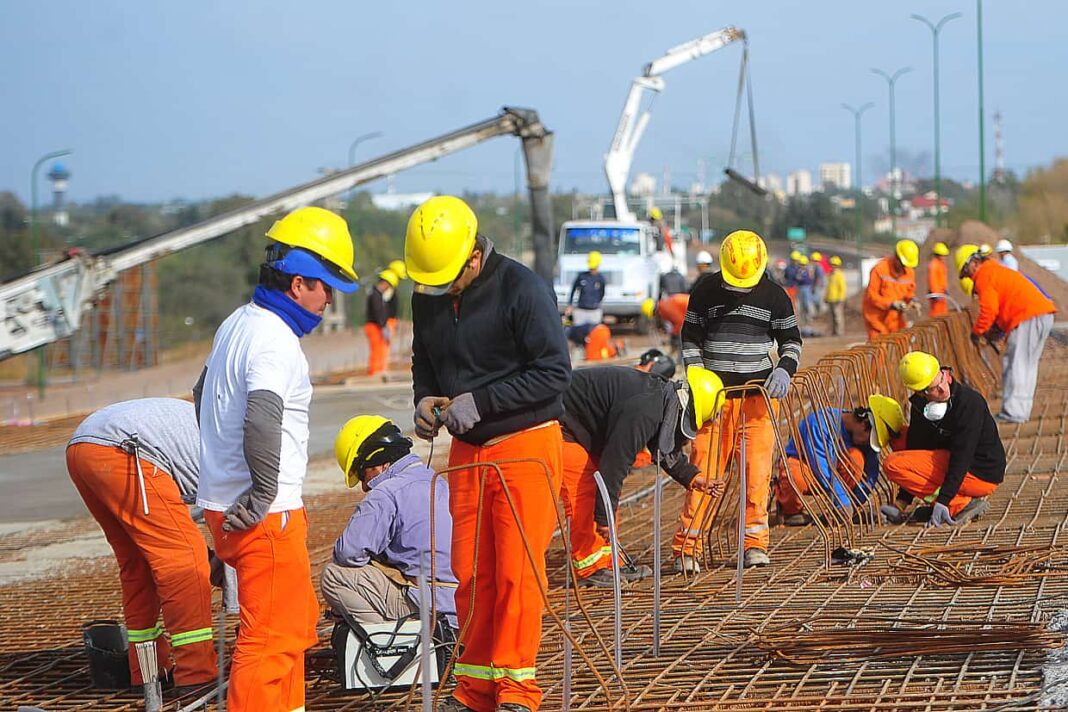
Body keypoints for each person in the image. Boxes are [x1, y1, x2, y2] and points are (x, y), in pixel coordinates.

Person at [406, 195, 571, 712]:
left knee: (517, 573)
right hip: (468, 453)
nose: (441, 288)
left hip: (525, 446)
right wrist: (425, 399)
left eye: (450, 277)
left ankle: (517, 690)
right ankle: (475, 688)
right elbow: (424, 359)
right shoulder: (429, 294)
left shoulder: (522, 289)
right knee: (470, 572)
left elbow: (553, 373)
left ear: (475, 255)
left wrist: (484, 401)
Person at [195, 205, 359, 711]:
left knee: (288, 632)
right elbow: (263, 418)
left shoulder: (237, 324)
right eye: (325, 286)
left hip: (231, 506)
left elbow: (202, 394)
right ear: (298, 285)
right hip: (266, 513)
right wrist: (263, 491)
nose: (327, 299)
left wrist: (222, 475)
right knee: (268, 643)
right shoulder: (275, 340)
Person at [672, 229, 802, 571]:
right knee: (703, 473)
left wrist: (785, 370)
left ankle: (754, 545)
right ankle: (688, 549)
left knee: (756, 475)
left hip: (758, 400)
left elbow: (790, 341)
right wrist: (699, 377)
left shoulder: (774, 295)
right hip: (714, 401)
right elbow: (690, 339)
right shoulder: (705, 290)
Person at [66, 398, 216, 691]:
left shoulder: (229, 437)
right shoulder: (249, 474)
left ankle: (147, 672)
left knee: (140, 563)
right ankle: (196, 674)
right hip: (125, 449)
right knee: (185, 558)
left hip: (83, 448)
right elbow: (237, 547)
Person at [559, 366, 724, 587]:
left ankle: (607, 563)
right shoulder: (644, 409)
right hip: (563, 423)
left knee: (606, 500)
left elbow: (664, 448)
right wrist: (603, 518)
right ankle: (589, 569)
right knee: (586, 492)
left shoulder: (662, 398)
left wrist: (693, 478)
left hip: (586, 428)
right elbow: (615, 464)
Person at [320, 416, 457, 627]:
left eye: (362, 475)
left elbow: (347, 553)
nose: (364, 487)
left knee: (334, 576)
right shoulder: (435, 480)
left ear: (378, 463)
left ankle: (387, 643)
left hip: (429, 603)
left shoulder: (386, 493)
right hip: (461, 602)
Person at [881, 351, 1005, 527]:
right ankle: (952, 501)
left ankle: (961, 505)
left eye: (942, 379)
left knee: (892, 464)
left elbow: (962, 456)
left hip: (981, 474)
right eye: (933, 389)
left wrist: (945, 500)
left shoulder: (969, 404)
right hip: (955, 465)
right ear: (920, 393)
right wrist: (901, 502)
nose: (942, 389)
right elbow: (917, 448)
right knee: (901, 441)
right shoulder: (920, 406)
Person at [956, 244, 1056, 423]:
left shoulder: (984, 276)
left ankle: (1014, 412)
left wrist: (977, 332)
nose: (969, 277)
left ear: (973, 263)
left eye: (966, 272)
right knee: (1025, 365)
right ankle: (1020, 410)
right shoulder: (995, 270)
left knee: (1016, 364)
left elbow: (989, 310)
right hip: (1040, 314)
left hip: (1027, 316)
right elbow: (1000, 306)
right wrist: (997, 330)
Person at [774, 405, 879, 526]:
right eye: (868, 440)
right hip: (807, 467)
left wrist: (855, 503)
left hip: (833, 475)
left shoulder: (861, 435)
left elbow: (872, 470)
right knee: (793, 474)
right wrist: (842, 501)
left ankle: (839, 510)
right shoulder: (821, 422)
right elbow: (820, 465)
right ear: (864, 424)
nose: (867, 444)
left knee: (856, 459)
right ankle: (791, 512)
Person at [862, 239, 918, 340]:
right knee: (880, 351)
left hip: (895, 319)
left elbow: (909, 292)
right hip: (877, 319)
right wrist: (891, 304)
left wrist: (913, 300)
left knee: (902, 346)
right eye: (902, 264)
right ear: (896, 257)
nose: (904, 268)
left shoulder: (909, 272)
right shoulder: (880, 269)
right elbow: (872, 296)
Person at [365, 269, 398, 376]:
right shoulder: (376, 295)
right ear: (385, 283)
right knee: (377, 351)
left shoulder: (377, 294)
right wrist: (383, 325)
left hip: (377, 326)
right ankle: (375, 372)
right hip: (374, 326)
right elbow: (378, 311)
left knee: (380, 350)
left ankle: (377, 371)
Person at [566, 251, 607, 327]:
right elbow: (573, 290)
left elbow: (602, 293)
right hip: (581, 310)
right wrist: (570, 305)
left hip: (594, 311)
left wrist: (596, 303)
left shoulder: (601, 279)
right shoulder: (582, 276)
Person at [825, 255, 847, 336]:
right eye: (832, 265)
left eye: (834, 265)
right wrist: (826, 297)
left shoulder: (839, 275)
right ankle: (834, 331)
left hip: (837, 299)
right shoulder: (830, 275)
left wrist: (841, 298)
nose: (833, 266)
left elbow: (842, 287)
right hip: (831, 298)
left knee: (838, 316)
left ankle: (839, 332)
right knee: (832, 317)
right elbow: (828, 287)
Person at [927, 242, 950, 317]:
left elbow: (943, 279)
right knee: (936, 315)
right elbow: (932, 281)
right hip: (936, 297)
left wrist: (945, 289)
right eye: (943, 255)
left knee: (943, 314)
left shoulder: (942, 265)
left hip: (942, 295)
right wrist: (935, 293)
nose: (944, 257)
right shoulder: (933, 265)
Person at [796, 255, 816, 321]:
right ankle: (802, 318)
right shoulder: (798, 271)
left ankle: (808, 317)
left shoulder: (808, 271)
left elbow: (810, 279)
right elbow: (797, 279)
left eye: (804, 264)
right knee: (801, 304)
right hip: (800, 288)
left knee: (807, 303)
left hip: (807, 288)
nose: (802, 266)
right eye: (801, 264)